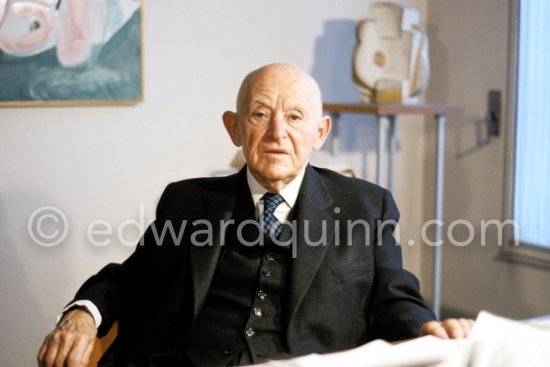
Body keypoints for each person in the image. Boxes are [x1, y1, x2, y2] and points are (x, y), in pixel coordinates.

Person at [38, 63, 473, 367]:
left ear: (319, 132)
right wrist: (84, 313)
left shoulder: (366, 205)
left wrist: (427, 330)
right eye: (260, 114)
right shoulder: (187, 202)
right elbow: (129, 278)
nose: (277, 133)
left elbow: (394, 296)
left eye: (295, 117)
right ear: (234, 126)